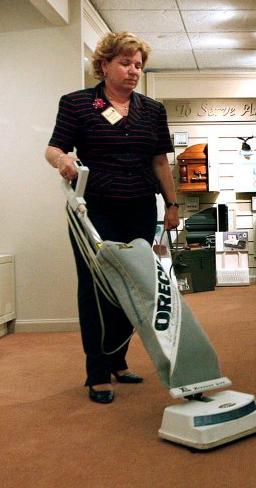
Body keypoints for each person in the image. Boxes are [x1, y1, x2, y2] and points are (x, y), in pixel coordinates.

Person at [45, 32, 180, 404]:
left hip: (139, 207)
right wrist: (63, 160)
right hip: (94, 210)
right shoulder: (77, 104)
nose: (133, 70)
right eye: (125, 62)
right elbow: (55, 146)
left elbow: (159, 161)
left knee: (133, 286)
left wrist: (172, 204)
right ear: (103, 65)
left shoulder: (152, 109)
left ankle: (118, 359)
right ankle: (97, 372)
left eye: (138, 64)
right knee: (95, 288)